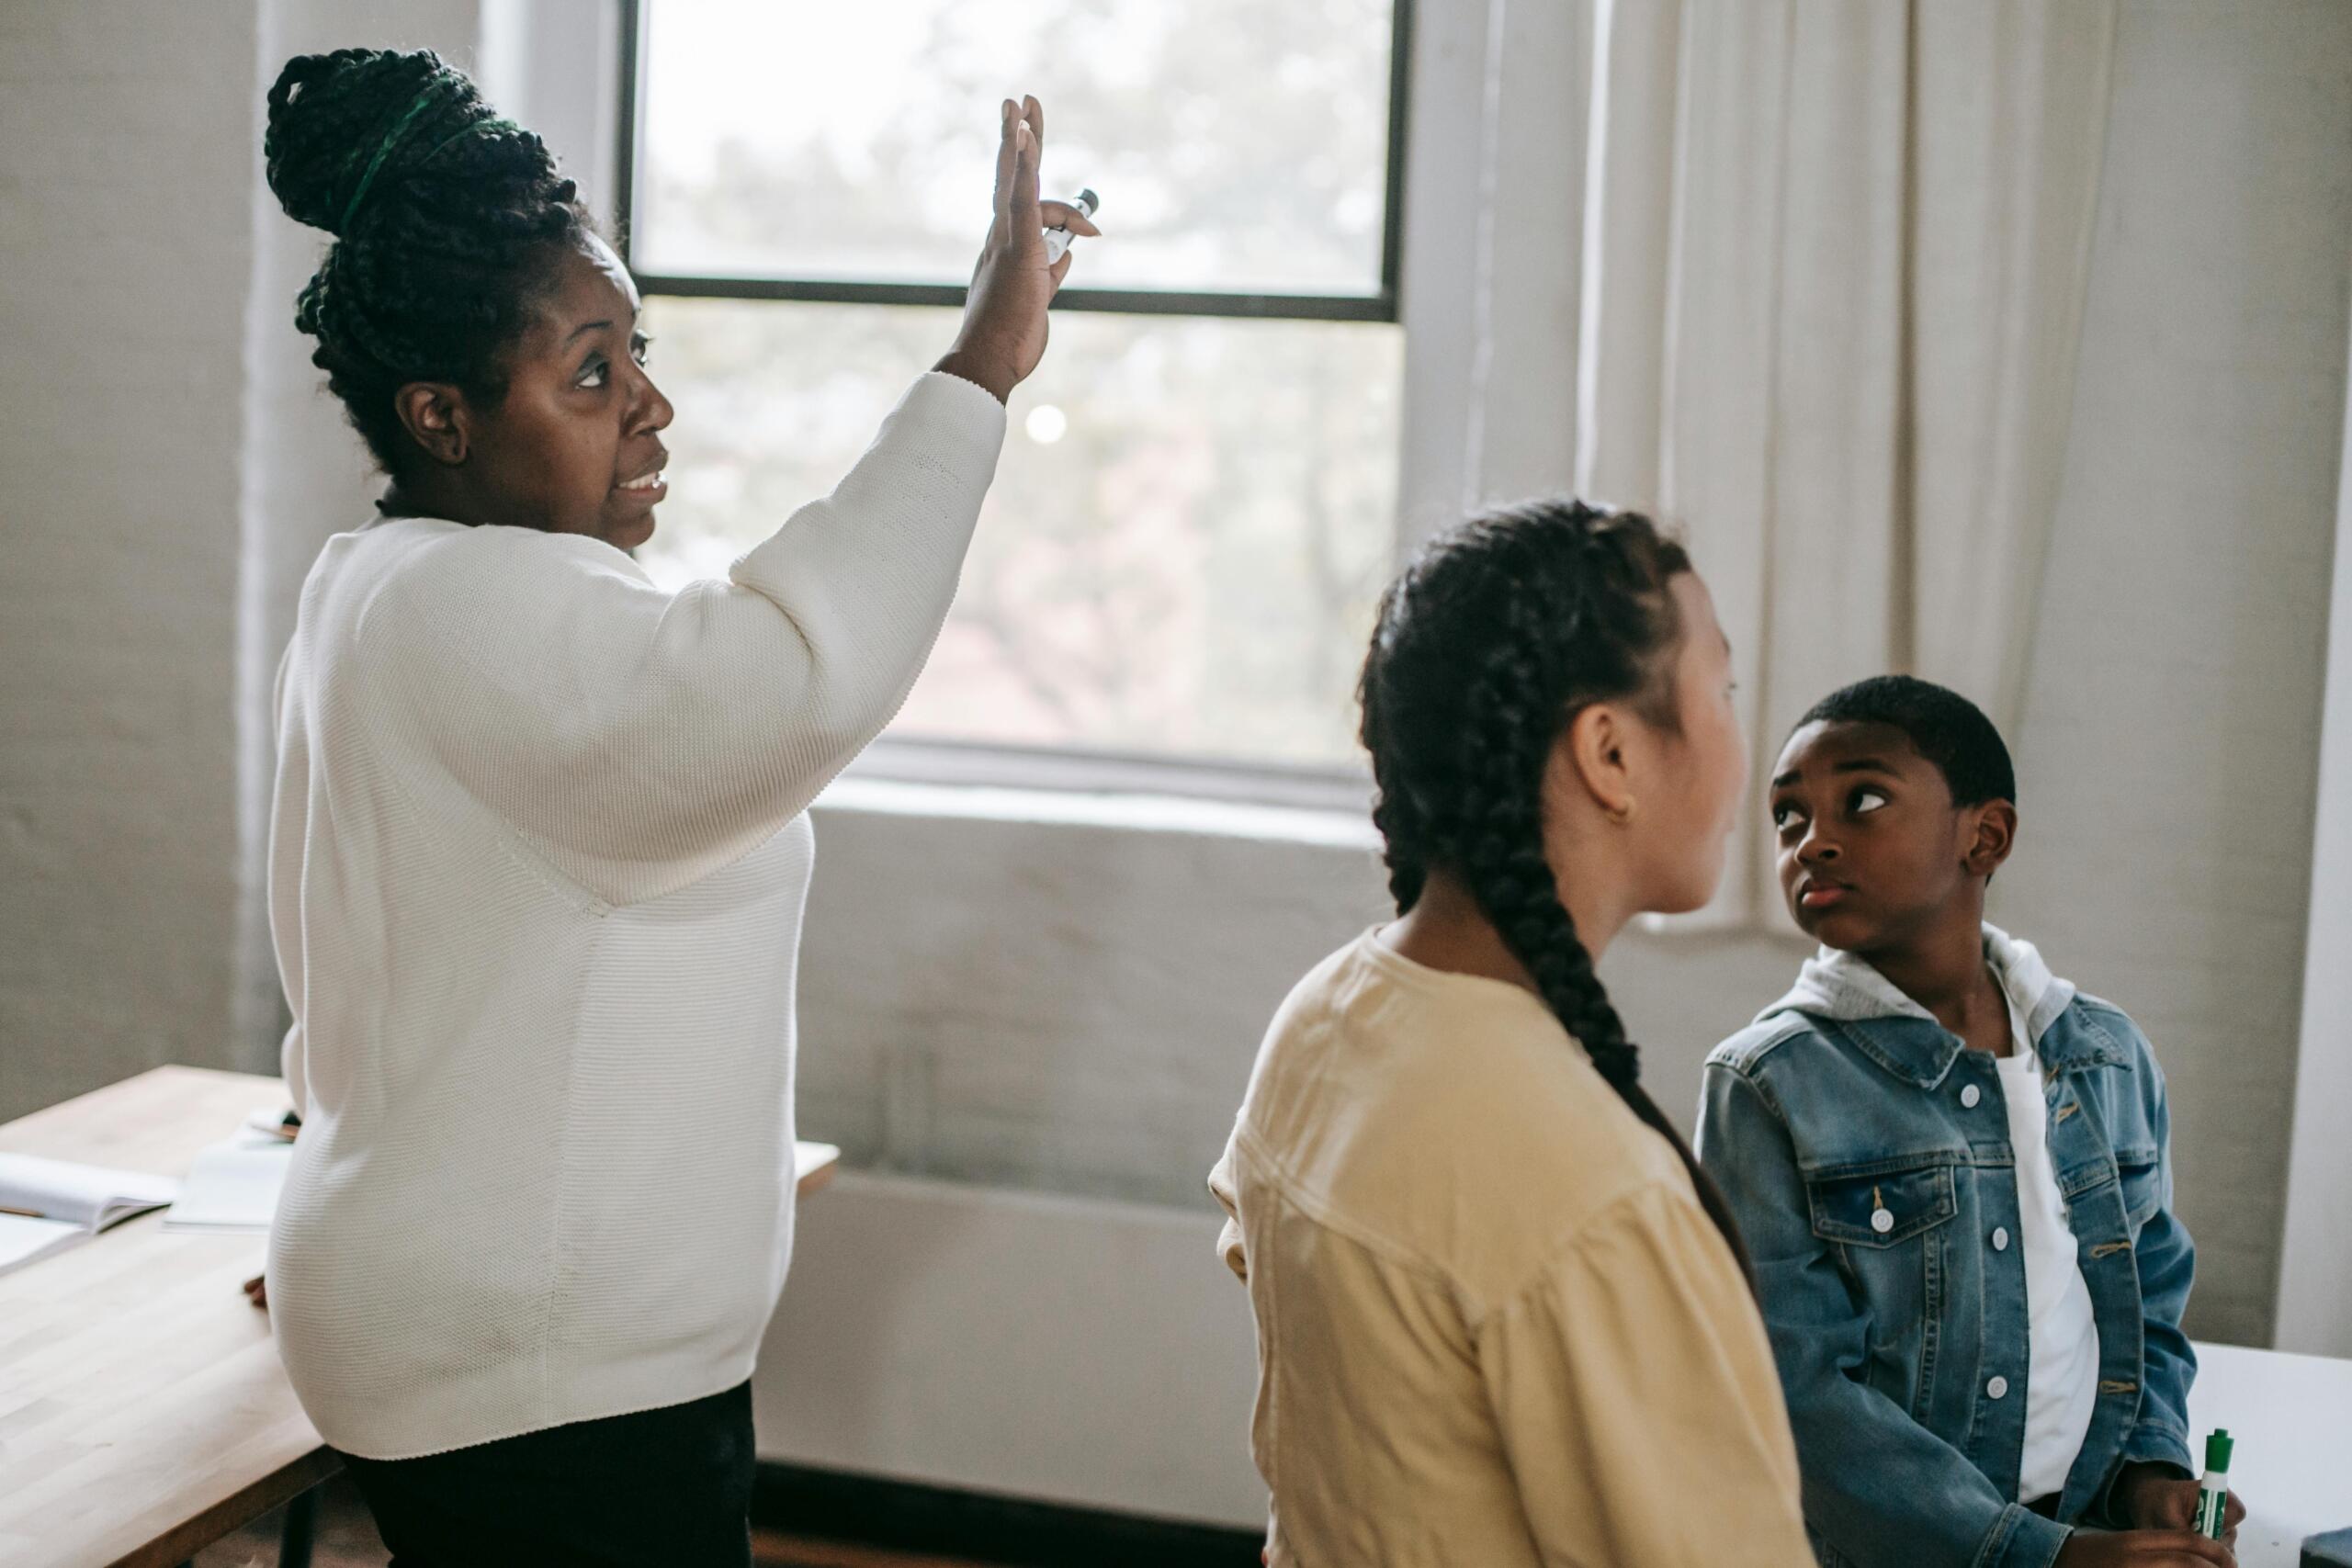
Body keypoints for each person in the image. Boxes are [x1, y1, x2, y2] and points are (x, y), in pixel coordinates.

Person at [254, 47, 1091, 1564]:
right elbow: (787, 680)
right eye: (589, 371)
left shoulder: (380, 585)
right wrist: (980, 365)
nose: (651, 407)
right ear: (440, 415)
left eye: (635, 350)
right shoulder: (483, 610)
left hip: (487, 1339)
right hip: (537, 1380)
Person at [1208, 501, 1814, 1566]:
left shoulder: (1323, 1020)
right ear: (1610, 752)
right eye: (1720, 690)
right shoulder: (1592, 1193)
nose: (1746, 747)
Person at [1698, 676, 2244, 1568]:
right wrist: (2042, 1558)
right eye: (1787, 819)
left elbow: (2144, 1300)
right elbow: (1791, 1391)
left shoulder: (2106, 1057)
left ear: (1982, 836)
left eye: (1861, 800)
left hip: (2080, 1525)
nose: (1814, 841)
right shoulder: (1765, 1086)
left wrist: (2150, 1473)